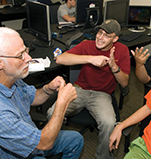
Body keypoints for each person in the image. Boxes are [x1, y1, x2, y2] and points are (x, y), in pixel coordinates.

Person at [0, 27, 84, 158]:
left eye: (25, 51)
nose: (28, 58)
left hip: (27, 137)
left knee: (75, 140)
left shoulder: (8, 77)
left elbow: (33, 97)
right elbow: (44, 143)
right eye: (20, 56)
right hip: (13, 154)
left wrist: (48, 88)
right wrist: (62, 103)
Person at [47, 19, 131, 159]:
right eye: (100, 32)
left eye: (106, 35)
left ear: (115, 38)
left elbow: (124, 83)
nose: (100, 37)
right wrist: (90, 59)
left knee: (109, 123)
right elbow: (60, 59)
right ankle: (53, 147)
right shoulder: (87, 45)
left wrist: (114, 68)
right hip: (79, 89)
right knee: (51, 113)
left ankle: (103, 157)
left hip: (102, 95)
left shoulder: (122, 50)